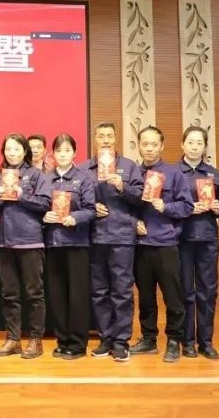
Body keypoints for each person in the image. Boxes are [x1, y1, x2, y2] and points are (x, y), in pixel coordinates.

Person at [131, 126, 193, 363]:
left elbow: (186, 206)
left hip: (166, 243)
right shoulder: (133, 173)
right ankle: (148, 339)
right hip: (140, 245)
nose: (149, 148)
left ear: (162, 146)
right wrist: (133, 222)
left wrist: (165, 207)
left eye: (154, 144)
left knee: (173, 296)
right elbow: (125, 207)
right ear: (138, 146)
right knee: (146, 297)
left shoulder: (174, 173)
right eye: (145, 144)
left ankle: (174, 341)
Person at [84, 122, 144, 362]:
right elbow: (74, 200)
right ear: (95, 139)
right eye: (101, 136)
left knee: (122, 290)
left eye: (110, 136)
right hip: (94, 236)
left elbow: (142, 197)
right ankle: (105, 337)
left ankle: (121, 341)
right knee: (99, 291)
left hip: (122, 236)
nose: (106, 140)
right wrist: (91, 207)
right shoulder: (85, 168)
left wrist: (122, 186)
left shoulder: (129, 167)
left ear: (116, 138)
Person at [0, 133, 52, 359]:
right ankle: (13, 339)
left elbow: (46, 203)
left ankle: (35, 340)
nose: (12, 153)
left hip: (30, 240)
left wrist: (21, 195)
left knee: (34, 293)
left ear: (25, 151)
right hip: (5, 241)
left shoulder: (36, 174)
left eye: (16, 149)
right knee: (9, 294)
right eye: (8, 149)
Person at [43, 134, 95, 359]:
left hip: (76, 242)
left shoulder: (83, 178)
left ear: (75, 153)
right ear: (53, 154)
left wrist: (76, 217)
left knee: (77, 295)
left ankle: (78, 343)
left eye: (67, 150)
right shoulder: (45, 179)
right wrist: (44, 216)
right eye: (58, 150)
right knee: (57, 294)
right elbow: (38, 206)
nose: (62, 155)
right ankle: (62, 340)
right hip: (53, 242)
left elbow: (91, 209)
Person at [176, 126, 219, 360]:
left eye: (199, 143)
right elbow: (165, 205)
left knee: (207, 291)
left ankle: (206, 341)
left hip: (207, 238)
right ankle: (187, 341)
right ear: (182, 144)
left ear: (205, 147)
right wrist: (187, 208)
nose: (195, 147)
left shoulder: (214, 174)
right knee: (185, 291)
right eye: (191, 142)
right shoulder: (173, 172)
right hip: (181, 238)